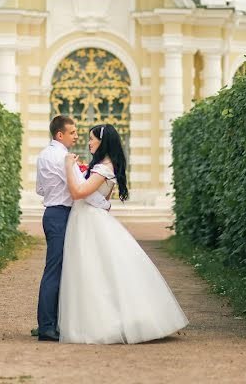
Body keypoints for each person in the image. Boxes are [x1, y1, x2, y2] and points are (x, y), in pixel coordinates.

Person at [58, 123, 188, 344]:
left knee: (92, 271)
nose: (88, 142)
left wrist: (69, 167)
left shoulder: (103, 167)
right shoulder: (105, 165)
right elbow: (103, 199)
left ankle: (103, 324)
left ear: (103, 141)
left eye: (92, 139)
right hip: (89, 218)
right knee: (97, 270)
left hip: (88, 221)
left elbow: (78, 192)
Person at [35, 115, 111, 342]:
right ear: (61, 134)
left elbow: (40, 189)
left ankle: (52, 323)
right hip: (61, 214)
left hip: (51, 212)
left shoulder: (43, 155)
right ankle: (47, 327)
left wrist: (55, 190)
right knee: (55, 271)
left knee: (58, 269)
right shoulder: (62, 157)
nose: (77, 136)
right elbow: (80, 189)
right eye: (73, 132)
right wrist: (105, 205)